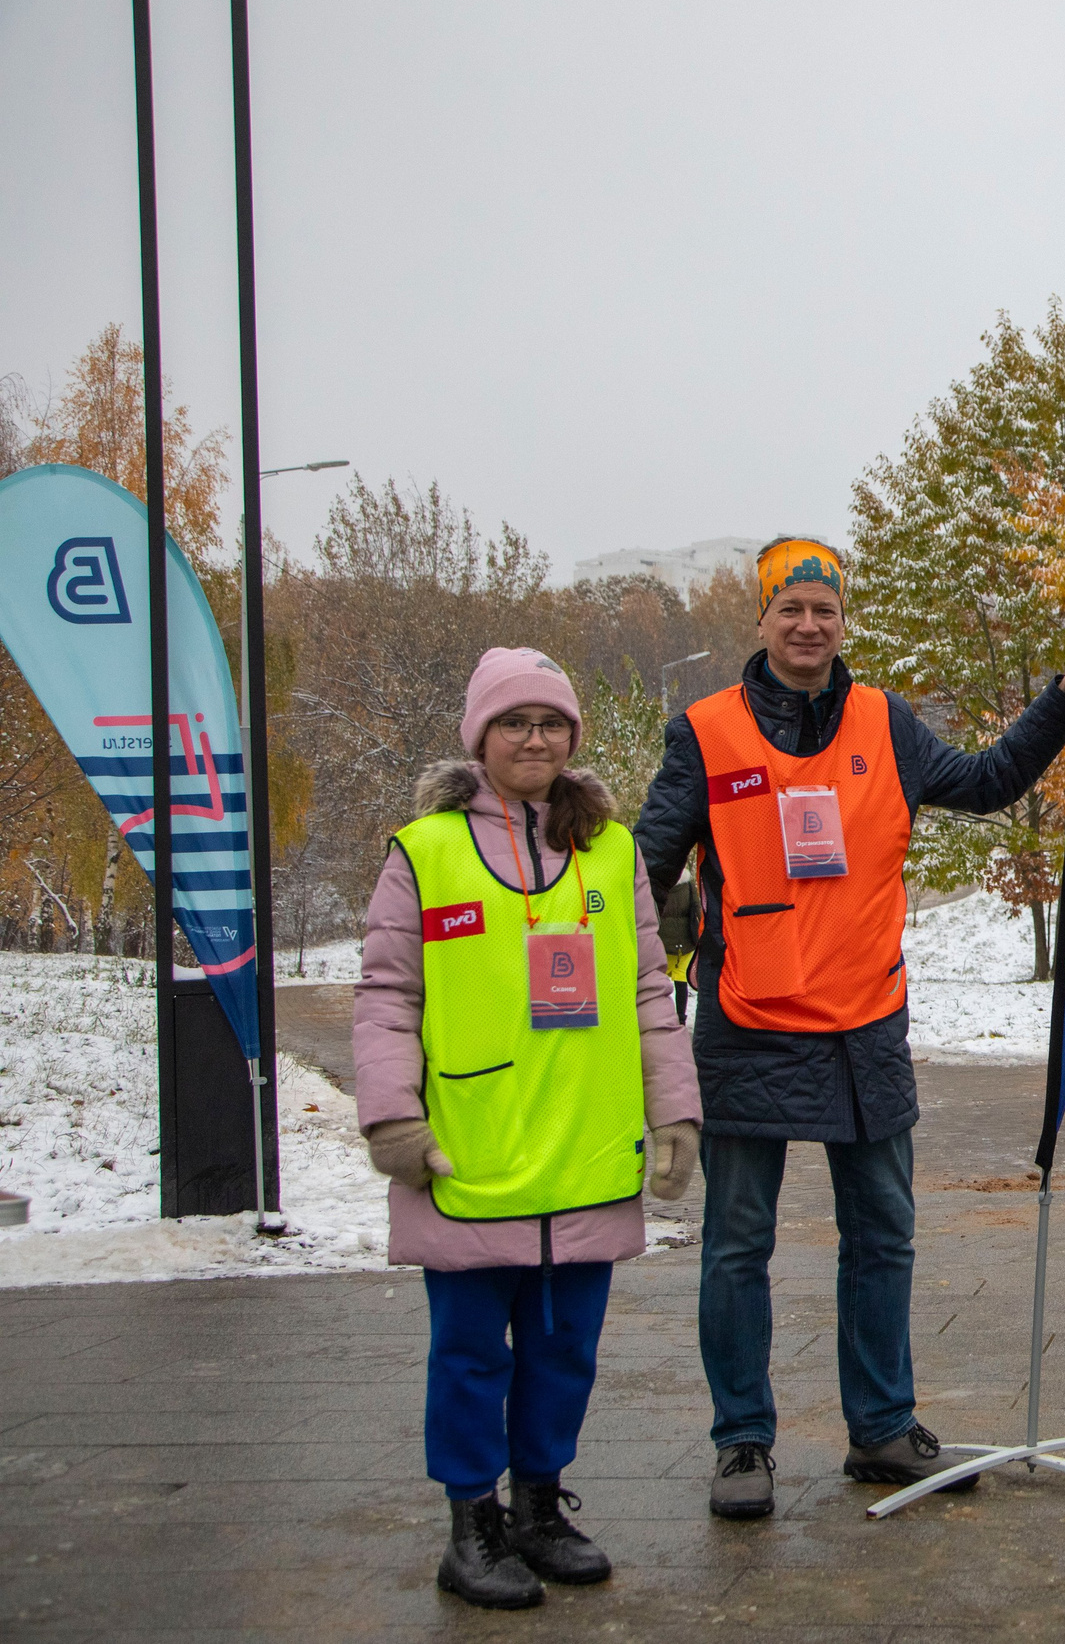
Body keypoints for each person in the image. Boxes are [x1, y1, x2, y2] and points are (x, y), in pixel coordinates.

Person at [633, 536, 1065, 1519]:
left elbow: (982, 783)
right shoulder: (705, 733)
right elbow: (642, 873)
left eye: (824, 611)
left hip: (866, 1022)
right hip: (748, 1023)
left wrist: (1061, 700)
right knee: (736, 1244)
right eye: (789, 609)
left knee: (883, 1233)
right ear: (760, 622)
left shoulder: (885, 723)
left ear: (844, 623)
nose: (808, 625)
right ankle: (742, 1446)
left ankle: (882, 1429)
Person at [356, 647, 701, 1609]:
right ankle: (473, 1524)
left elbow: (646, 990)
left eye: (552, 722)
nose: (536, 737)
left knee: (563, 1348)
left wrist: (675, 1108)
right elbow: (385, 995)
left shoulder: (612, 849)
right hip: (471, 1151)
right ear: (480, 736)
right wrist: (391, 1116)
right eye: (516, 722)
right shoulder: (423, 850)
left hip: (586, 1148)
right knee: (470, 1351)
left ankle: (540, 1507)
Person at [660, 873, 698, 1023]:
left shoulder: (660, 884)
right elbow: (696, 908)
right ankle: (681, 1018)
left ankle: (662, 1015)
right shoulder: (688, 885)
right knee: (681, 981)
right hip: (685, 943)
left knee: (659, 981)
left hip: (663, 942)